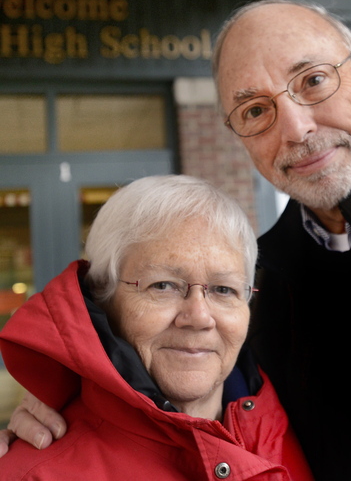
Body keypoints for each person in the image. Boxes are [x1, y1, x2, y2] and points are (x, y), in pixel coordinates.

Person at [1, 0, 351, 480]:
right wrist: (73, 389)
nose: (295, 128)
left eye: (313, 80)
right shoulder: (262, 283)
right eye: (253, 110)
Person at [0, 174, 314, 480]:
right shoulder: (33, 473)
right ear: (100, 299)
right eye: (163, 285)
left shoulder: (305, 420)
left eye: (223, 289)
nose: (199, 317)